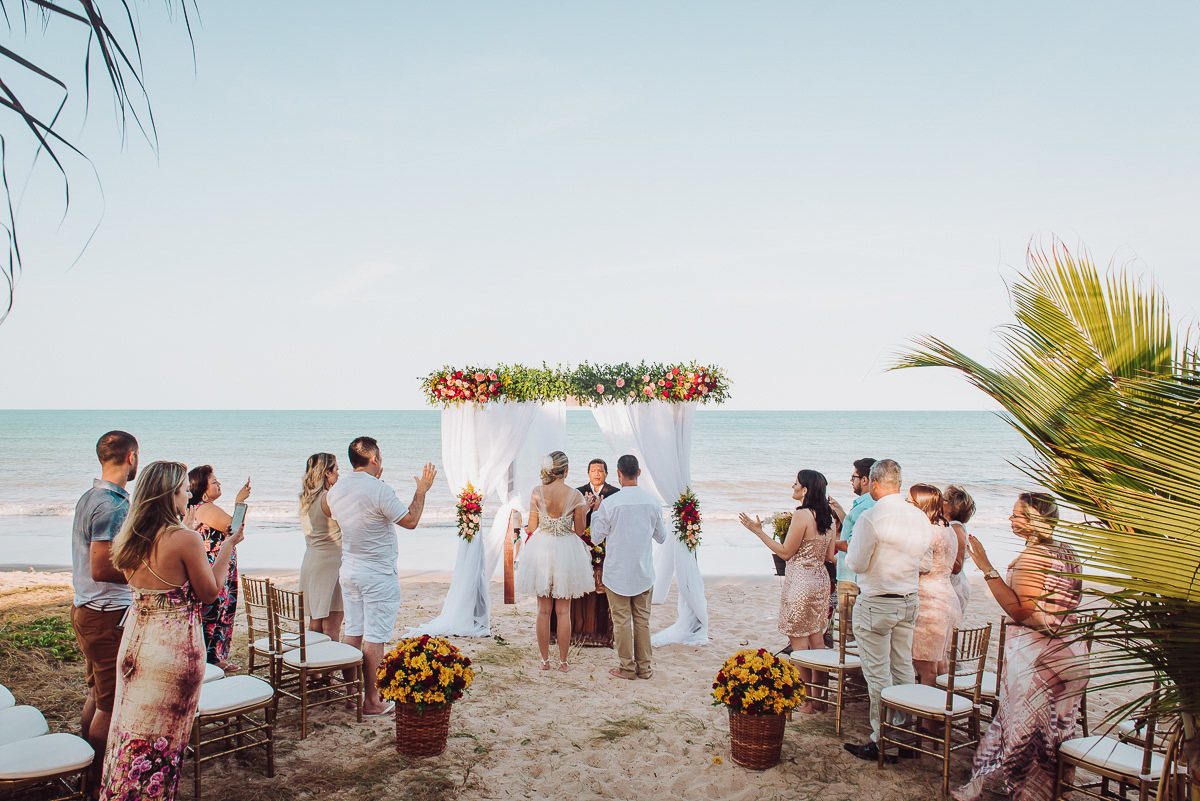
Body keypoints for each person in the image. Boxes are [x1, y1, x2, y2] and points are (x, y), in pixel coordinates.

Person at [99, 461, 243, 801]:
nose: (186, 495)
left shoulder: (128, 536)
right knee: (164, 742)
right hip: (173, 650)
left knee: (130, 732)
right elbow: (209, 595)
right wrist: (227, 547)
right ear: (169, 495)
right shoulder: (185, 539)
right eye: (182, 490)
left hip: (135, 645)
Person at [954, 492, 1088, 801]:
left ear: (1035, 521)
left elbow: (1021, 611)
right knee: (1053, 730)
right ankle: (1052, 791)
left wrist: (987, 568)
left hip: (1038, 656)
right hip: (1069, 650)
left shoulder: (1034, 557)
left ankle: (1028, 795)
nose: (1011, 520)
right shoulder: (1066, 550)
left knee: (1029, 731)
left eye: (1017, 516)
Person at [325, 436, 436, 716]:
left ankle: (352, 695)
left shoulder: (336, 491)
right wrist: (421, 490)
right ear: (374, 459)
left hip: (349, 569)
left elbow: (330, 511)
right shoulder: (379, 490)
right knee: (375, 637)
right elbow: (410, 521)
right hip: (377, 573)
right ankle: (372, 701)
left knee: (353, 631)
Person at [842, 458, 934, 760]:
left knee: (877, 672)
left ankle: (882, 739)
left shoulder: (871, 517)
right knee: (902, 666)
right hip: (908, 600)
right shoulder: (919, 518)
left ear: (876, 483)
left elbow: (855, 563)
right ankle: (906, 734)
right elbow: (926, 564)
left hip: (878, 602)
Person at [69, 430, 137, 791]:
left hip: (88, 608)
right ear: (131, 457)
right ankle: (99, 780)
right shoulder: (113, 504)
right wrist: (143, 573)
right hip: (106, 614)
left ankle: (86, 763)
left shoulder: (89, 496)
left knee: (97, 694)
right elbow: (101, 567)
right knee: (110, 705)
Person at [738, 469, 838, 713]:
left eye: (795, 483)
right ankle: (819, 700)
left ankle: (804, 703)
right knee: (817, 639)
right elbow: (829, 556)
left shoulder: (802, 515)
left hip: (801, 583)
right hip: (820, 581)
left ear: (805, 490)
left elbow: (784, 553)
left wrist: (758, 531)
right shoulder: (829, 517)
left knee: (799, 643)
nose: (792, 486)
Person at [590, 454, 667, 680]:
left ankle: (627, 668)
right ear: (639, 473)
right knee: (642, 621)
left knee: (622, 621)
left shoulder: (610, 504)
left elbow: (595, 538)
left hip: (617, 573)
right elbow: (661, 537)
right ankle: (645, 668)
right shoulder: (653, 502)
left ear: (619, 474)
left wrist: (595, 513)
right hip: (643, 571)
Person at [516, 451, 595, 671]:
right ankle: (563, 662)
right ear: (566, 470)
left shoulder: (537, 492)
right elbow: (579, 531)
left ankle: (544, 661)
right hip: (566, 551)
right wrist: (586, 510)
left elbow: (532, 528)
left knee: (542, 610)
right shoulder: (576, 496)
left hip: (541, 549)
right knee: (563, 611)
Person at [188, 465, 251, 671]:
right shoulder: (204, 508)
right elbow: (234, 528)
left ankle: (213, 659)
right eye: (214, 482)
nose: (219, 484)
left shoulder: (201, 508)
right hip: (215, 566)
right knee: (215, 611)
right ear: (203, 490)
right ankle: (211, 661)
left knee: (220, 611)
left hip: (217, 564)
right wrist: (239, 501)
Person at [908, 483, 961, 688]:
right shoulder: (948, 529)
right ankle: (939, 714)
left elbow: (920, 565)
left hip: (928, 601)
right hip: (946, 596)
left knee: (925, 666)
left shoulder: (927, 532)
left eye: (910, 501)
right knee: (941, 662)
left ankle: (927, 718)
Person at [299, 453, 343, 641]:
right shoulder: (329, 499)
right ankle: (328, 667)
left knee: (315, 621)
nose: (338, 475)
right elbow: (348, 526)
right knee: (332, 625)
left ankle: (314, 668)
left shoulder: (304, 499)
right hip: (330, 564)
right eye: (336, 470)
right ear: (327, 473)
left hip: (311, 561)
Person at [829, 457, 877, 600]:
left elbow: (853, 543)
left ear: (864, 480)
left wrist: (824, 544)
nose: (851, 481)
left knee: (848, 622)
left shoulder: (863, 507)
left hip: (851, 578)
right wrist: (839, 510)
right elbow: (856, 530)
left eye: (853, 477)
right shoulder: (871, 503)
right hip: (859, 576)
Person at [942, 484, 976, 614]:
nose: (940, 501)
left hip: (954, 586)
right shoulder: (949, 525)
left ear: (952, 507)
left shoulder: (956, 528)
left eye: (944, 499)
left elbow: (957, 565)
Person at [578, 458, 620, 527]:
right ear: (588, 474)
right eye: (593, 471)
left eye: (600, 471)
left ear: (606, 474)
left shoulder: (615, 493)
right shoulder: (579, 492)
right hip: (583, 535)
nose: (596, 474)